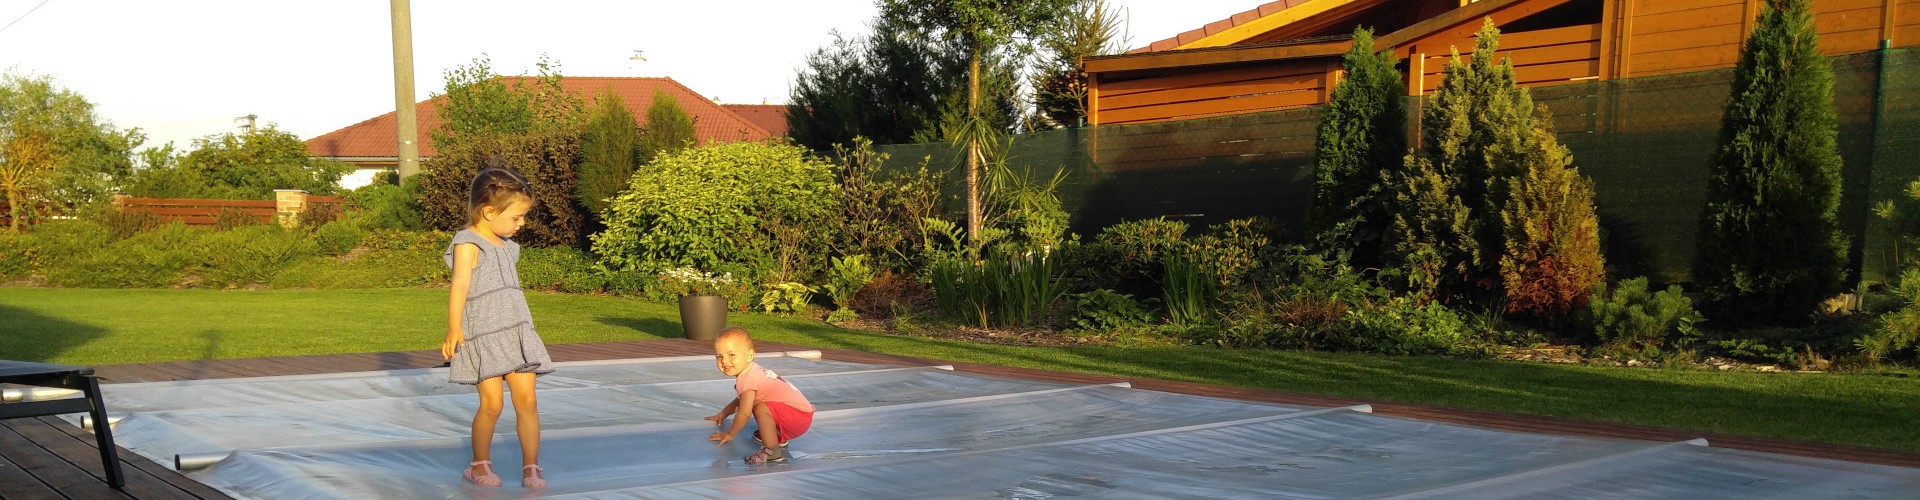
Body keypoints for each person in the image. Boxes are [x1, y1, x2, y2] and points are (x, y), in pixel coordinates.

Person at [440, 167, 555, 488]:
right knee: (492, 404)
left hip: (516, 332)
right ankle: (478, 464)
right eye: (517, 217)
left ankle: (531, 466)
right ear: (489, 212)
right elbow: (460, 284)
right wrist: (454, 327)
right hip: (484, 335)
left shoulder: (509, 246)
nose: (522, 223)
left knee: (527, 401)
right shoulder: (467, 243)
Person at [706, 326, 815, 464]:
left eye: (731, 355)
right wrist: (724, 413)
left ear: (749, 356)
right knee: (755, 403)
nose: (724, 361)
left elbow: (744, 413)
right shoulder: (752, 371)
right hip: (799, 416)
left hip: (797, 419)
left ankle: (772, 452)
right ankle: (775, 436)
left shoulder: (748, 379)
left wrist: (729, 434)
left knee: (760, 408)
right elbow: (742, 399)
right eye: (719, 356)